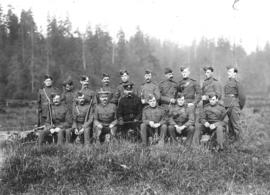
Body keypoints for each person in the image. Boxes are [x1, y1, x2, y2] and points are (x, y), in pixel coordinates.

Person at [223, 66, 246, 143]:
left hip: (234, 106)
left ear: (235, 73)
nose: (228, 73)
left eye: (230, 72)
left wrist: (239, 106)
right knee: (229, 125)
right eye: (228, 71)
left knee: (236, 125)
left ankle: (239, 142)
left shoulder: (237, 83)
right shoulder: (227, 83)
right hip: (227, 106)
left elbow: (242, 97)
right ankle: (231, 141)